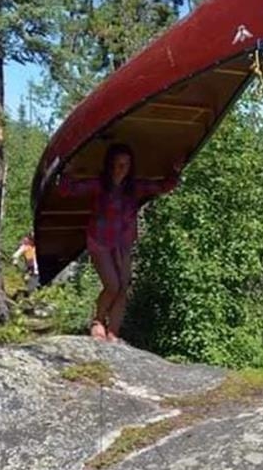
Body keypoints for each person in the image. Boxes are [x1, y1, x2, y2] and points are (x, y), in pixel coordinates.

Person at [58, 143, 182, 342]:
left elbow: (162, 187)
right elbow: (67, 190)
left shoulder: (133, 187)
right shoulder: (100, 185)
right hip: (100, 241)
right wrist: (67, 170)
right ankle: (98, 321)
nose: (121, 169)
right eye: (117, 164)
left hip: (123, 242)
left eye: (125, 165)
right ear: (110, 165)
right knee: (112, 285)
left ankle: (113, 333)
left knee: (123, 286)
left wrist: (175, 172)